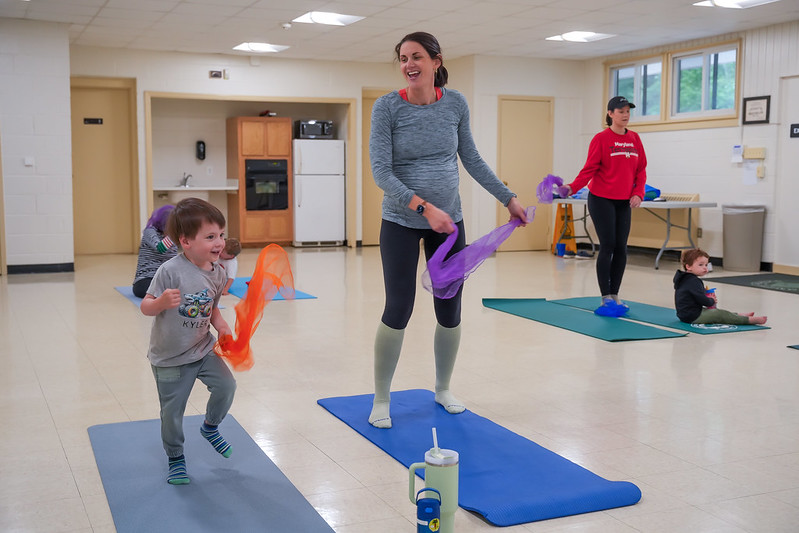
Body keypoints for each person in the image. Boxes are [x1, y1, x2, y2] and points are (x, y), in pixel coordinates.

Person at [368, 31, 529, 428]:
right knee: (398, 307)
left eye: (417, 56)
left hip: (449, 224)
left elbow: (470, 157)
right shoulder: (387, 107)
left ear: (436, 61)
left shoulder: (455, 103)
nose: (409, 64)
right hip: (402, 221)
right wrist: (423, 208)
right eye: (403, 57)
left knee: (449, 308)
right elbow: (381, 172)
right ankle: (382, 398)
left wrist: (508, 198)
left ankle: (443, 389)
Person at [140, 197, 236, 485]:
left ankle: (210, 427)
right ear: (185, 242)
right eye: (210, 237)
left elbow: (212, 307)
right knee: (172, 412)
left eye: (221, 235)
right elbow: (146, 306)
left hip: (201, 348)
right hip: (170, 356)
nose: (219, 242)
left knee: (227, 386)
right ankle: (176, 456)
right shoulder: (170, 271)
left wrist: (222, 327)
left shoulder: (217, 272)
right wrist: (161, 304)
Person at [563, 96, 647, 311]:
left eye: (628, 111)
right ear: (610, 114)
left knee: (621, 248)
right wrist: (572, 187)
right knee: (608, 245)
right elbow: (589, 169)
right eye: (621, 111)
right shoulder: (601, 139)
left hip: (624, 201)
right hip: (602, 198)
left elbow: (641, 170)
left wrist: (638, 193)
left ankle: (615, 294)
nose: (625, 115)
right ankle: (605, 296)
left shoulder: (635, 139)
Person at [674, 249, 767, 325]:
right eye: (700, 265)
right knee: (719, 314)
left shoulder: (685, 279)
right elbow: (703, 300)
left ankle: (738, 315)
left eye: (706, 265)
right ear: (688, 267)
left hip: (684, 314)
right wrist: (711, 300)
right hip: (692, 316)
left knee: (715, 312)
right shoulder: (693, 281)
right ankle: (748, 320)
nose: (705, 268)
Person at [132, 205, 179, 298]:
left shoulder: (172, 237)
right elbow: (160, 248)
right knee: (162, 291)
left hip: (165, 279)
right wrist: (174, 235)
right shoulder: (149, 232)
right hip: (146, 279)